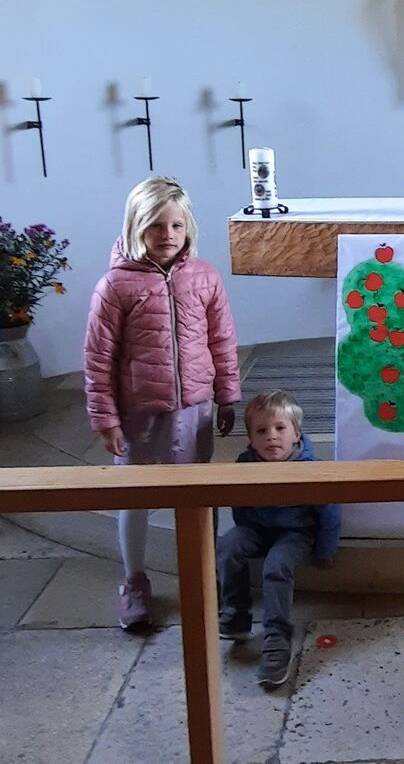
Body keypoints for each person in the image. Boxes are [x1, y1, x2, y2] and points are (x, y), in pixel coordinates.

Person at [83, 176, 240, 630]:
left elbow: (222, 339)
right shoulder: (116, 286)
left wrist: (227, 395)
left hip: (194, 410)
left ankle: (205, 574)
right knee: (135, 496)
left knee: (197, 495)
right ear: (136, 227)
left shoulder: (205, 277)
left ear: (188, 227)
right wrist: (106, 418)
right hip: (139, 414)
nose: (167, 235)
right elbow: (97, 358)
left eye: (176, 225)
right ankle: (134, 580)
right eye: (155, 226)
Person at [216, 389, 342, 689]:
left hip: (296, 532)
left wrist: (325, 549)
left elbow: (331, 512)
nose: (271, 436)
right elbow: (239, 503)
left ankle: (277, 637)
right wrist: (243, 531)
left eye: (280, 428)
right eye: (261, 431)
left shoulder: (311, 469)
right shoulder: (246, 465)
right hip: (256, 528)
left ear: (297, 434)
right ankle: (236, 613)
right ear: (251, 439)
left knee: (276, 566)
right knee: (228, 547)